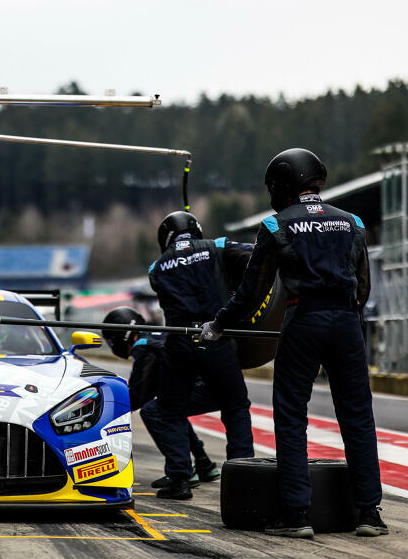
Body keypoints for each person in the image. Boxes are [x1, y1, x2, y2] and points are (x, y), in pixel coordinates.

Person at [201, 148, 386, 538]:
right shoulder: (352, 222)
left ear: (282, 183)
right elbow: (363, 286)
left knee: (290, 416)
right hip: (347, 323)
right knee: (357, 416)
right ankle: (370, 513)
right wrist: (346, 317)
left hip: (304, 322)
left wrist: (218, 324)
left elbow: (253, 291)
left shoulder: (275, 226)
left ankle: (297, 515)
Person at [148, 211, 255, 499]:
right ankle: (243, 477)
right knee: (235, 407)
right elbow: (255, 257)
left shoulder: (155, 268)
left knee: (170, 411)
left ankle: (181, 480)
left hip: (179, 342)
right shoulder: (217, 245)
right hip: (217, 337)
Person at [101, 306, 219, 488]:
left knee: (155, 412)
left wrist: (110, 411)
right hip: (217, 382)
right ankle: (203, 463)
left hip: (204, 387)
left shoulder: (144, 347)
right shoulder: (157, 334)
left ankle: (181, 472)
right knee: (168, 407)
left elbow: (138, 394)